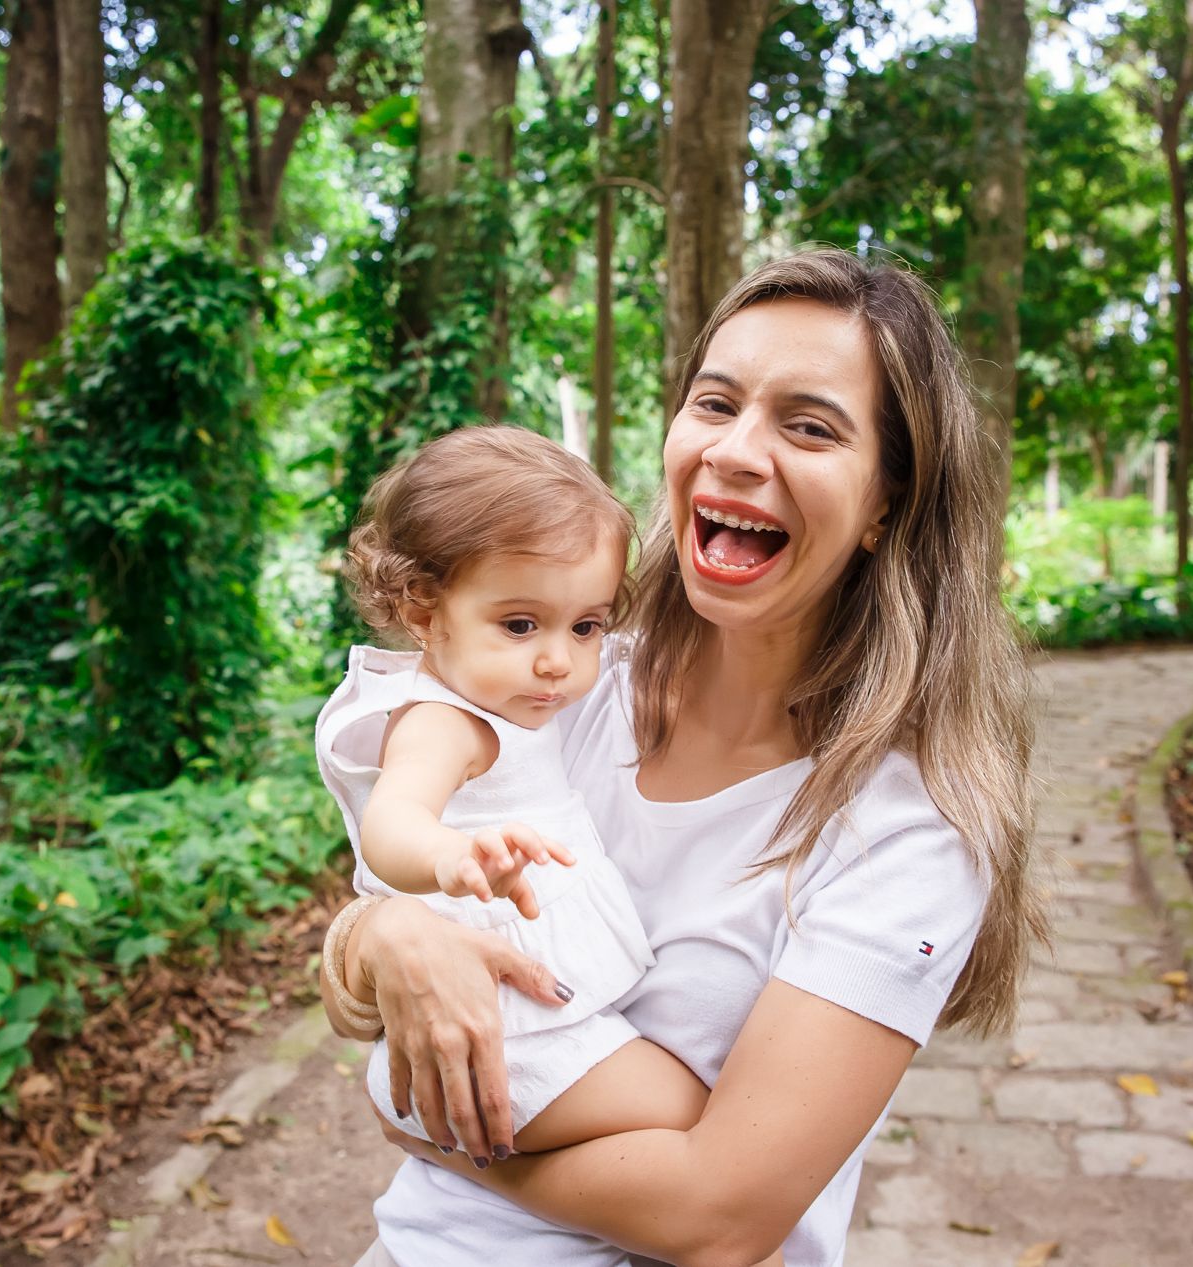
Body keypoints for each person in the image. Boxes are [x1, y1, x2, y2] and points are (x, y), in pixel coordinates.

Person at [321, 248, 1044, 1267]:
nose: (737, 452)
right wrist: (386, 936)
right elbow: (365, 974)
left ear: (887, 503)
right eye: (715, 403)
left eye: (808, 425)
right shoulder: (560, 685)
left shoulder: (908, 823)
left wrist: (434, 1125)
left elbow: (721, 1216)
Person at [318, 428, 773, 1230]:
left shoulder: (513, 700)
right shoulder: (444, 720)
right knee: (696, 1114)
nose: (559, 661)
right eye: (521, 625)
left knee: (702, 1137)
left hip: (530, 1022)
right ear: (425, 611)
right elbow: (391, 822)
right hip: (508, 1032)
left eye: (586, 626)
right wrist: (447, 856)